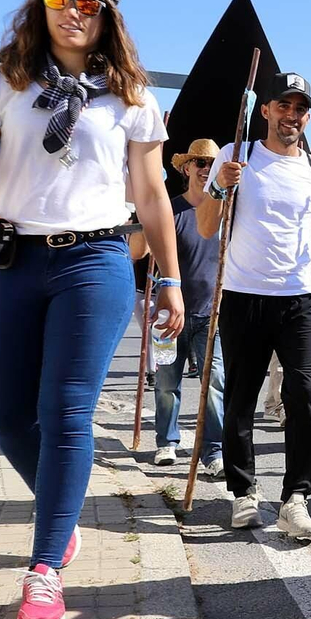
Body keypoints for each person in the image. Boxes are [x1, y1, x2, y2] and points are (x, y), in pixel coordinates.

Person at [0, 0, 183, 619]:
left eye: (89, 5)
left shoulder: (133, 96)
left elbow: (150, 195)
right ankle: (61, 520)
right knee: (3, 410)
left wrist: (170, 279)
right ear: (43, 4)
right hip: (13, 260)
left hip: (95, 260)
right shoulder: (6, 75)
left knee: (65, 412)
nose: (72, 12)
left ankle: (45, 568)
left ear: (108, 17)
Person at [201, 72, 311, 540]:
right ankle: (242, 493)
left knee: (304, 393)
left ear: (307, 116)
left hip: (297, 298)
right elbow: (204, 226)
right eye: (283, 106)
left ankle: (296, 498)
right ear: (265, 110)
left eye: (299, 108)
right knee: (239, 396)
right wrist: (219, 186)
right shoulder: (236, 155)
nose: (291, 115)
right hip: (243, 294)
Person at [129, 139, 226, 480]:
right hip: (169, 316)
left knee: (214, 383)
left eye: (210, 163)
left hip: (212, 315)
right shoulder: (167, 209)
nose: (204, 168)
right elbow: (136, 253)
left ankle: (213, 451)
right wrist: (141, 215)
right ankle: (167, 442)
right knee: (167, 383)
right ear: (186, 169)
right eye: (198, 162)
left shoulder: (225, 213)